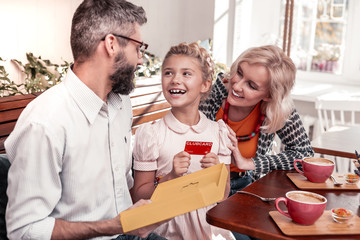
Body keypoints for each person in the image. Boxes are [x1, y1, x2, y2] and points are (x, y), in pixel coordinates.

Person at [5, 0, 166, 239]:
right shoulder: (44, 123)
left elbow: (123, 190)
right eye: (138, 47)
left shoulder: (121, 104)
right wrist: (114, 226)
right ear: (111, 44)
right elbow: (23, 230)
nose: (141, 59)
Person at [131, 42, 235, 240]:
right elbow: (139, 196)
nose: (175, 79)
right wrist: (170, 177)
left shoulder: (219, 133)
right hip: (165, 232)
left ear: (205, 84)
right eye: (168, 73)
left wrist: (217, 174)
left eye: (186, 73)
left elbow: (223, 194)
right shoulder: (151, 134)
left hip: (208, 229)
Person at [199, 45, 314, 196]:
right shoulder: (210, 94)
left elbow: (305, 154)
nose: (237, 85)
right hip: (204, 183)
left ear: (269, 95)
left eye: (251, 86)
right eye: (239, 73)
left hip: (248, 186)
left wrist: (249, 163)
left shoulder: (277, 109)